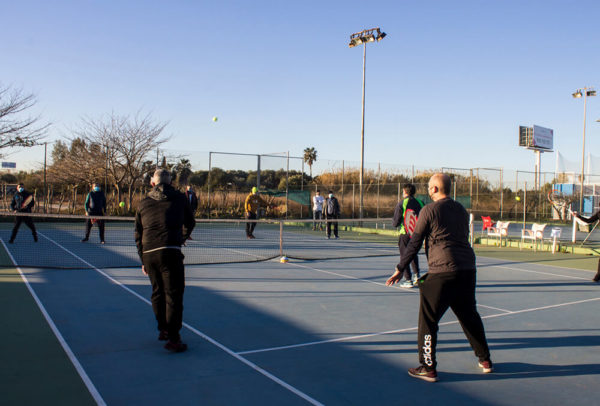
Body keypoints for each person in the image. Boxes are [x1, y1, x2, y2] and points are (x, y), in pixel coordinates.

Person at [386, 173, 492, 382]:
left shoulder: (429, 210)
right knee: (469, 315)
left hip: (442, 271)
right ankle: (485, 359)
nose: (427, 189)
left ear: (434, 189)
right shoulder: (461, 210)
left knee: (428, 320)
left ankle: (428, 367)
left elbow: (414, 242)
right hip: (467, 270)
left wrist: (400, 268)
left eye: (429, 186)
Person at [135, 169, 195, 352]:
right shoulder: (179, 198)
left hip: (149, 253)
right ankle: (174, 339)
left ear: (152, 183)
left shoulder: (143, 203)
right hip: (170, 252)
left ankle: (163, 330)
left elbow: (138, 233)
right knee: (174, 296)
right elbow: (190, 222)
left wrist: (143, 259)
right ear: (170, 183)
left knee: (158, 292)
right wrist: (181, 239)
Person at [392, 184, 425, 288]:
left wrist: (394, 222)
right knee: (413, 253)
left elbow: (396, 223)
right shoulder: (421, 203)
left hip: (405, 234)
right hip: (418, 234)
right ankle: (417, 276)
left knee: (404, 256)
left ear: (404, 192)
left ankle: (408, 279)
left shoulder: (401, 203)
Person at [573, 211, 600, 282]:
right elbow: (589, 221)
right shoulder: (599, 213)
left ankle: (598, 276)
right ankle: (598, 276)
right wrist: (578, 216)